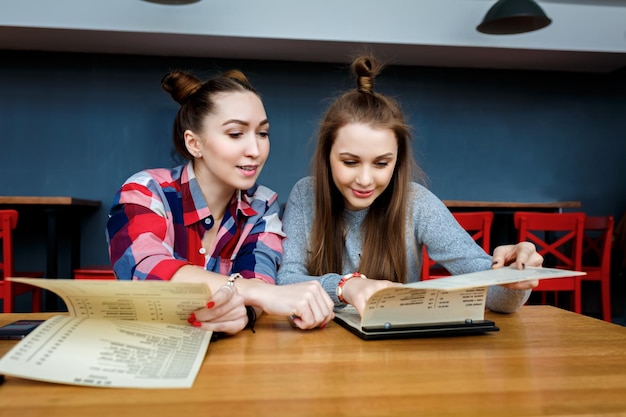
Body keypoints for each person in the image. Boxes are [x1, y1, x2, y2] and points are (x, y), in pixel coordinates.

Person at [277, 54, 543, 316]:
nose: (365, 180)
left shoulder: (417, 203)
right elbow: (284, 281)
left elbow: (502, 301)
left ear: (397, 161)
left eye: (381, 164)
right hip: (320, 349)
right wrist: (346, 286)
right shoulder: (305, 195)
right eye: (350, 162)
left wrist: (513, 275)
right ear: (327, 157)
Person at [106, 68, 334, 335]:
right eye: (236, 134)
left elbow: (260, 277)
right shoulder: (146, 191)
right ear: (194, 144)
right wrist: (252, 293)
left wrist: (245, 313)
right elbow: (144, 269)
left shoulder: (261, 205)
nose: (255, 150)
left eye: (262, 133)